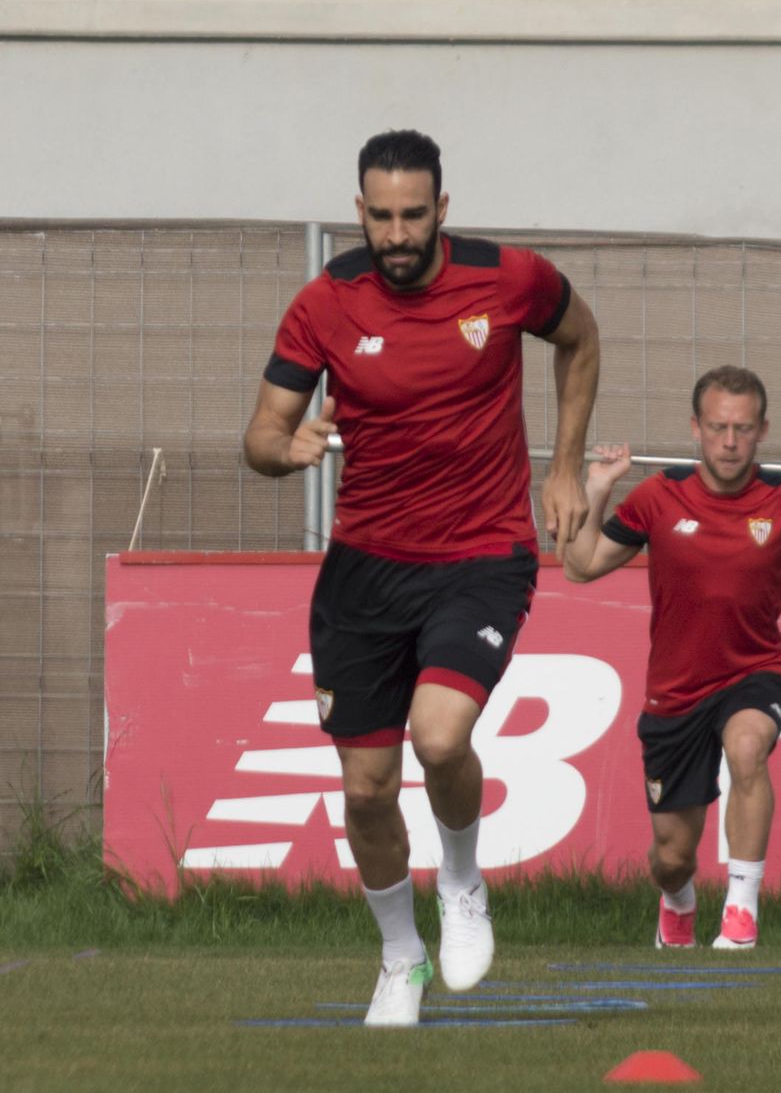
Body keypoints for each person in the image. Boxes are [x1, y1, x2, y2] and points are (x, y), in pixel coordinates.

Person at [242, 129, 600, 1026]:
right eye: (380, 216)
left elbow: (582, 336)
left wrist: (564, 465)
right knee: (365, 787)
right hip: (365, 569)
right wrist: (282, 453)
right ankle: (401, 956)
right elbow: (260, 433)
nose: (396, 234)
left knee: (440, 737)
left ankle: (464, 883)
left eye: (413, 215)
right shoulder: (323, 305)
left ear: (442, 209)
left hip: (481, 554)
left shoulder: (509, 278)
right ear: (358, 211)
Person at [562, 366, 781, 951]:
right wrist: (597, 487)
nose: (731, 442)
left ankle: (741, 913)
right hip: (674, 694)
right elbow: (580, 565)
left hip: (754, 673)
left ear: (762, 432)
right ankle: (677, 902)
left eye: (744, 429)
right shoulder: (657, 497)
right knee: (673, 857)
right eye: (719, 428)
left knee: (749, 748)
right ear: (696, 429)